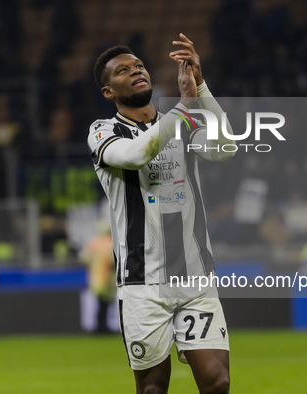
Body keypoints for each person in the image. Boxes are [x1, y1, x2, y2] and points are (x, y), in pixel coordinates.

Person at [88, 33, 234, 393]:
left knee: (217, 383)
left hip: (195, 277)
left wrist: (199, 88)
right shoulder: (103, 132)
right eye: (123, 70)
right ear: (109, 91)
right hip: (142, 282)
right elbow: (138, 154)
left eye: (138, 65)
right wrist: (185, 107)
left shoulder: (179, 122)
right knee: (153, 388)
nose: (136, 71)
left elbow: (226, 147)